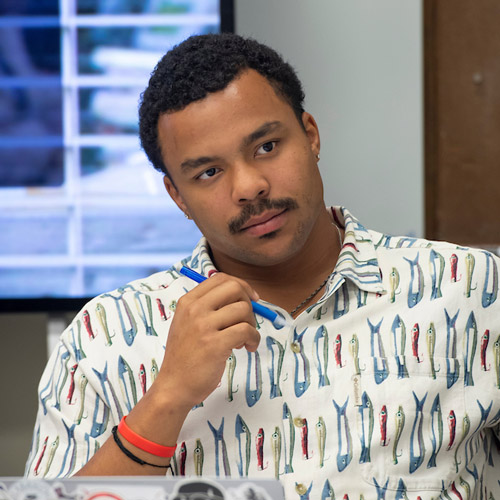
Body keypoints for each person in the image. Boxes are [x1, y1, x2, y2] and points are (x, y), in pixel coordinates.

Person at [26, 33, 500, 499]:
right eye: (209, 172)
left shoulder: (469, 289)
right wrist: (166, 398)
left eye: (267, 147)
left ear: (310, 135)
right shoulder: (102, 339)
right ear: (178, 197)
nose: (249, 186)